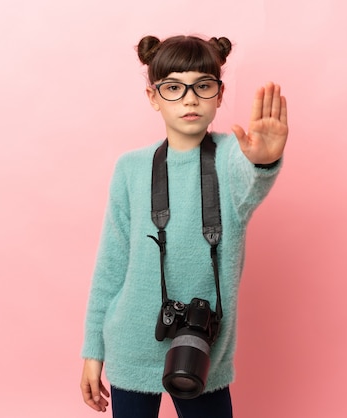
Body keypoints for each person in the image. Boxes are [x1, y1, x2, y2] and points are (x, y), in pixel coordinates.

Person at [80, 34, 288, 418]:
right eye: (173, 87)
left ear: (220, 94)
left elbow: (250, 184)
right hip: (130, 344)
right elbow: (110, 266)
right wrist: (93, 350)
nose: (189, 98)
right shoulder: (130, 168)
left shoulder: (231, 157)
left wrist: (263, 162)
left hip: (204, 347)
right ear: (153, 97)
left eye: (202, 86)